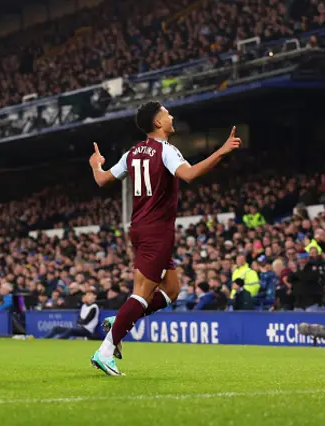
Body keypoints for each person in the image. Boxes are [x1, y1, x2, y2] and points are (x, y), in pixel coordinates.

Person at [88, 100, 240, 375]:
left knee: (171, 291)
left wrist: (96, 165)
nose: (171, 117)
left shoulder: (132, 153)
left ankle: (119, 321)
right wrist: (222, 151)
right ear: (158, 122)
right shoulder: (166, 151)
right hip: (157, 230)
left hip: (140, 228)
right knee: (142, 294)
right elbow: (190, 174)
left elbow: (102, 180)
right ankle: (105, 351)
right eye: (167, 114)